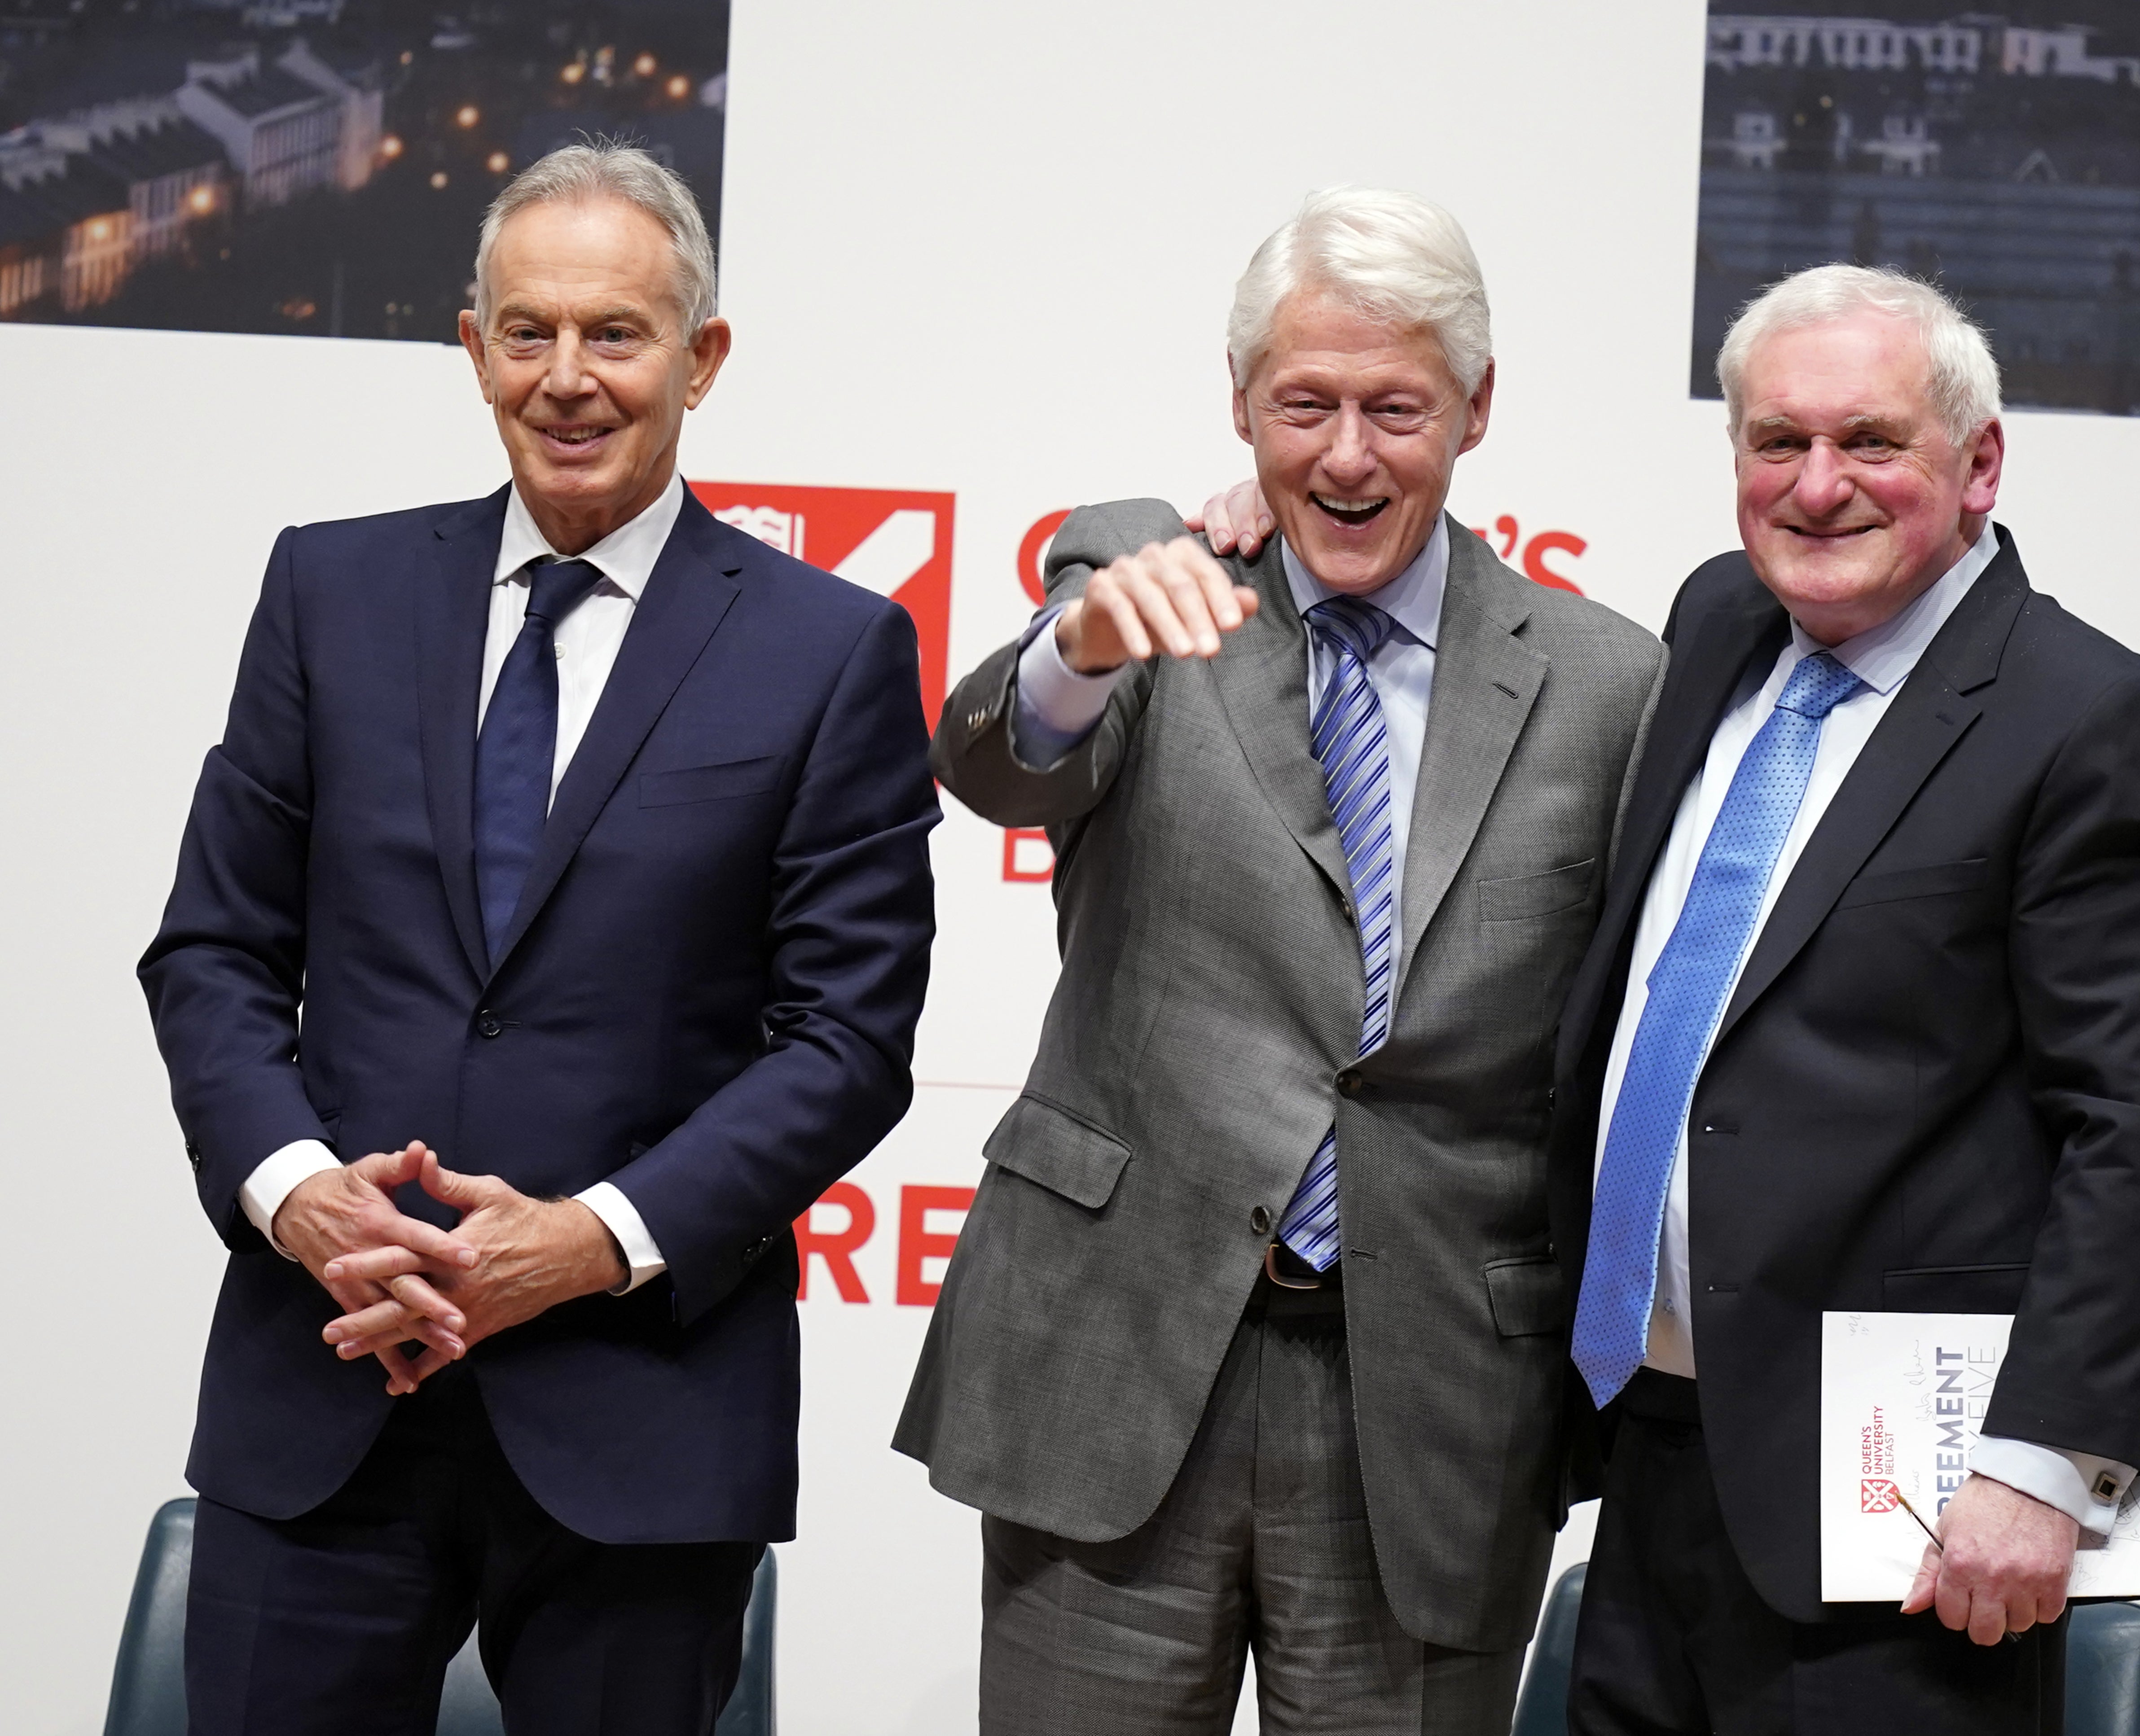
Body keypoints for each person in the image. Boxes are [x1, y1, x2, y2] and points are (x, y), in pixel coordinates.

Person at [1203, 263, 2140, 1732]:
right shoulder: (1717, 624)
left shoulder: (2098, 724)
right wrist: (1277, 520)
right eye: (1775, 444)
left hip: (1911, 1514)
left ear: (1978, 461)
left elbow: (2132, 1124)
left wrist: (2044, 1460)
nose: (1816, 488)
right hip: (1653, 1449)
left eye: (1870, 442)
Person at [138, 141, 939, 1736]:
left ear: (701, 360)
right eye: (528, 331)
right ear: (472, 346)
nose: (567, 379)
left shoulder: (829, 647)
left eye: (617, 335)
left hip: (637, 1421)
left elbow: (847, 1039)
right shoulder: (330, 588)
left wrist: (588, 1239)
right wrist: (304, 1201)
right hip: (327, 1380)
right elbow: (214, 952)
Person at [895, 186, 1665, 1734]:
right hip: (1116, 1355)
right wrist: (1079, 645)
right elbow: (993, 763)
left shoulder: (1608, 680)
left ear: (1479, 409)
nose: (1346, 455)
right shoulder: (1145, 582)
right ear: (1239, 400)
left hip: (1432, 1399)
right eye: (1302, 404)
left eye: (1396, 407)